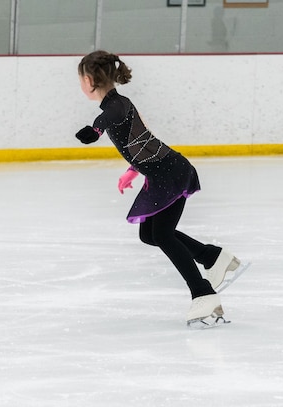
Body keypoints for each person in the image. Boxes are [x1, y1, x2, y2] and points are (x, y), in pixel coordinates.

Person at [75, 50, 240, 327]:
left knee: (161, 234)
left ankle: (202, 293)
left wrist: (94, 131)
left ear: (90, 80)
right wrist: (132, 170)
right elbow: (142, 139)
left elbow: (106, 122)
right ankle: (212, 256)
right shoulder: (119, 104)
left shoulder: (115, 107)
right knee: (150, 234)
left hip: (169, 172)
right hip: (163, 170)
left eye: (80, 79)